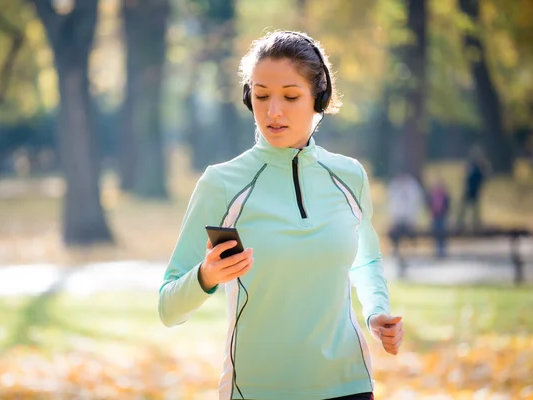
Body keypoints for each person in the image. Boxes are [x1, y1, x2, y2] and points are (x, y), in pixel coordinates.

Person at [158, 30, 403, 400]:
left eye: (290, 96)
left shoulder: (349, 176)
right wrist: (206, 276)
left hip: (348, 385)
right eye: (260, 96)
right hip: (255, 390)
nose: (273, 111)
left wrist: (376, 312)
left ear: (319, 98)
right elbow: (167, 307)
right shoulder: (222, 184)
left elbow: (365, 260)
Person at [386, 170, 424, 257]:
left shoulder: (412, 187)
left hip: (409, 219)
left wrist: (414, 219)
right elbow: (392, 204)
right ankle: (396, 249)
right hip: (398, 219)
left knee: (411, 233)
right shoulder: (395, 186)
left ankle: (412, 251)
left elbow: (416, 204)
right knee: (394, 233)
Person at [456, 145, 491, 231]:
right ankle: (460, 224)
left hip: (475, 191)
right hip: (469, 190)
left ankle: (476, 225)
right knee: (464, 208)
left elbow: (486, 176)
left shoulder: (480, 168)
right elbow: (466, 176)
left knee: (475, 210)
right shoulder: (472, 165)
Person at [427, 177, 451, 258]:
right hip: (435, 216)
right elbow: (429, 205)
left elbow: (447, 205)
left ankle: (442, 249)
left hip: (442, 216)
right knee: (436, 232)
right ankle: (437, 249)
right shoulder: (432, 195)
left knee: (442, 232)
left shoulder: (444, 195)